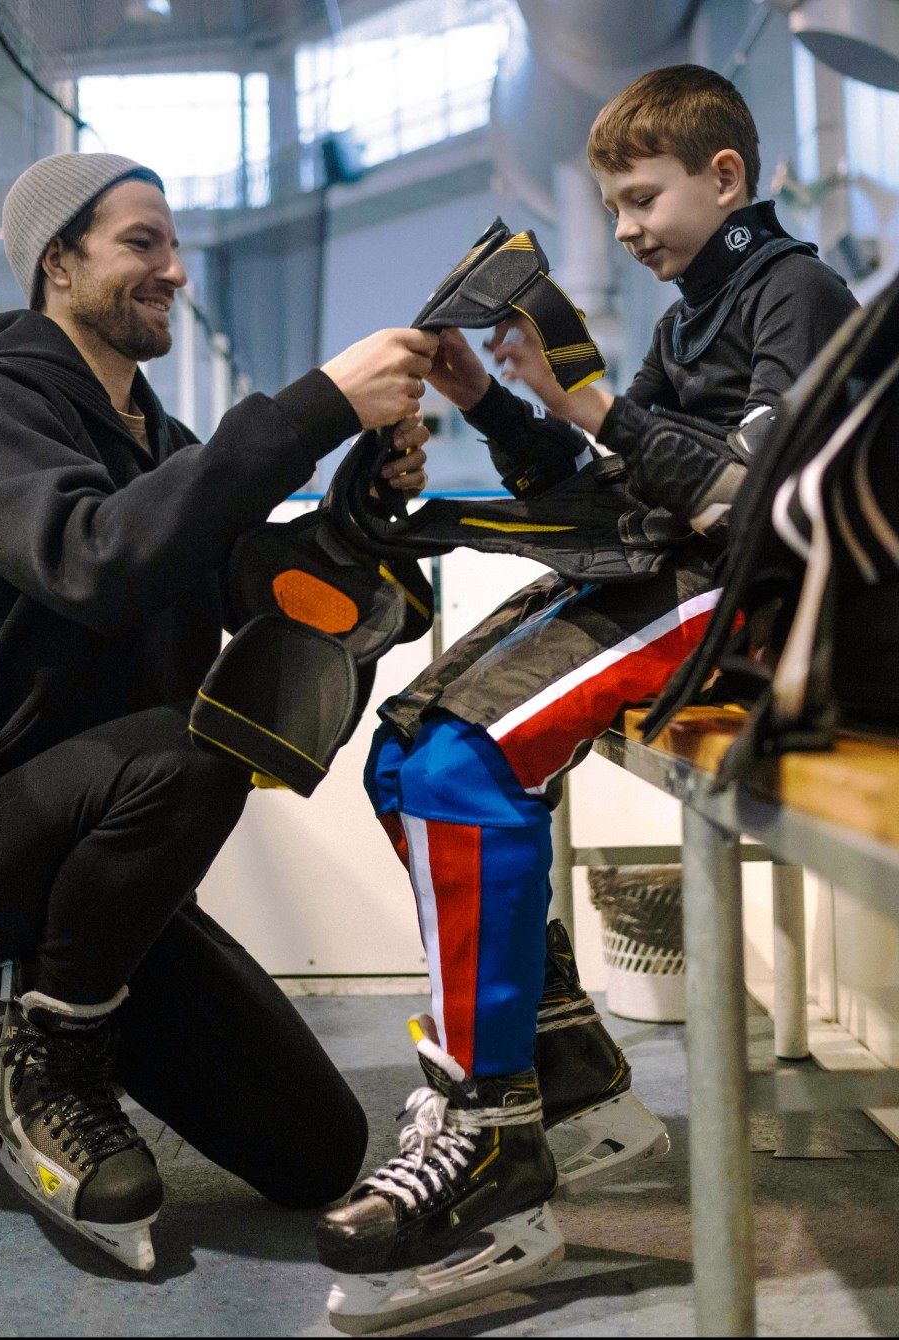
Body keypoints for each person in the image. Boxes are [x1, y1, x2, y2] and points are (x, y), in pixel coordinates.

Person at [316, 64, 859, 1333]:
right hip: (671, 579)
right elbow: (609, 488)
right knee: (403, 754)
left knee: (459, 766)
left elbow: (757, 502)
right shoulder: (689, 318)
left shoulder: (797, 291)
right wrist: (483, 399)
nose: (620, 230)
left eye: (638, 200)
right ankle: (556, 1057)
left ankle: (488, 1132)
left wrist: (595, 400)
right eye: (611, 205)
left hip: (751, 604)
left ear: (722, 177)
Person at [0, 151, 439, 1273]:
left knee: (316, 1151)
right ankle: (50, 1057)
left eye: (173, 246)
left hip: (100, 875)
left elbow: (253, 582)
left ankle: (45, 1015)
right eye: (140, 242)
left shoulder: (159, 446)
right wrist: (314, 404)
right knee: (193, 749)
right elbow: (96, 562)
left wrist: (362, 499)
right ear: (57, 261)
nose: (172, 269)